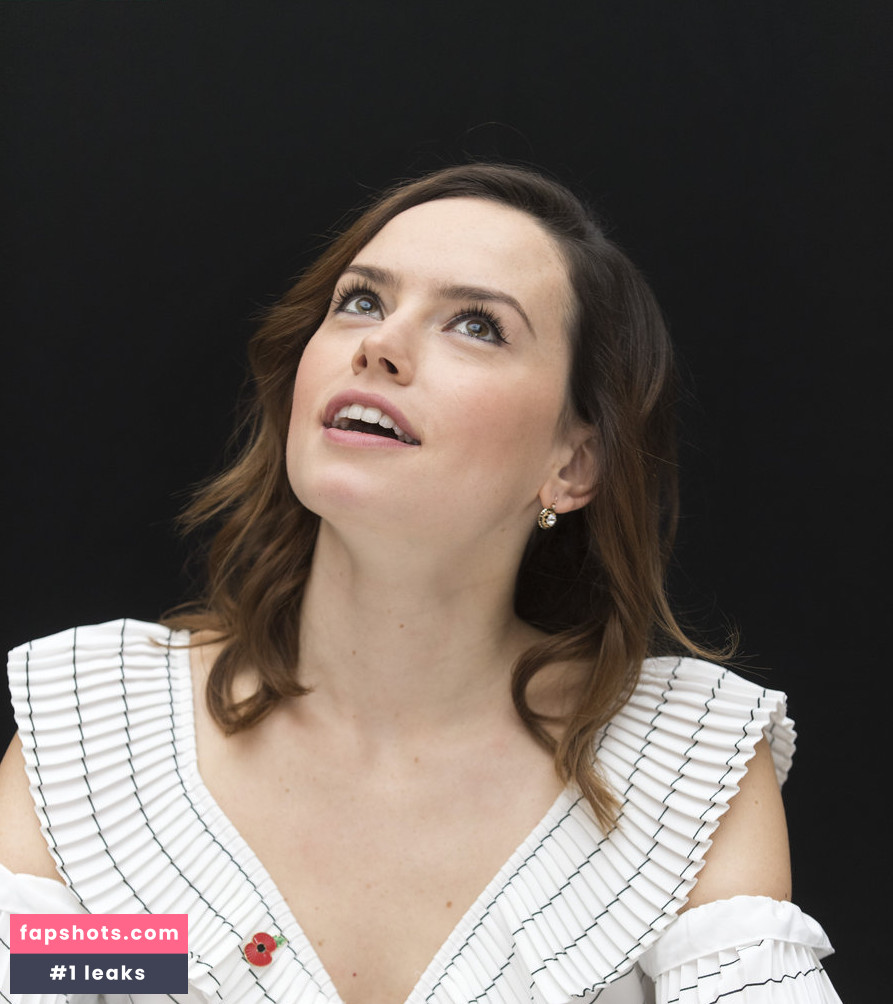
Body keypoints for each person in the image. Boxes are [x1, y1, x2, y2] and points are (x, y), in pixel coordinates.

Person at [0, 163, 841, 1004]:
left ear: (573, 463)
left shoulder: (681, 766)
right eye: (361, 301)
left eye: (476, 324)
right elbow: (55, 972)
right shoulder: (104, 731)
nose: (378, 345)